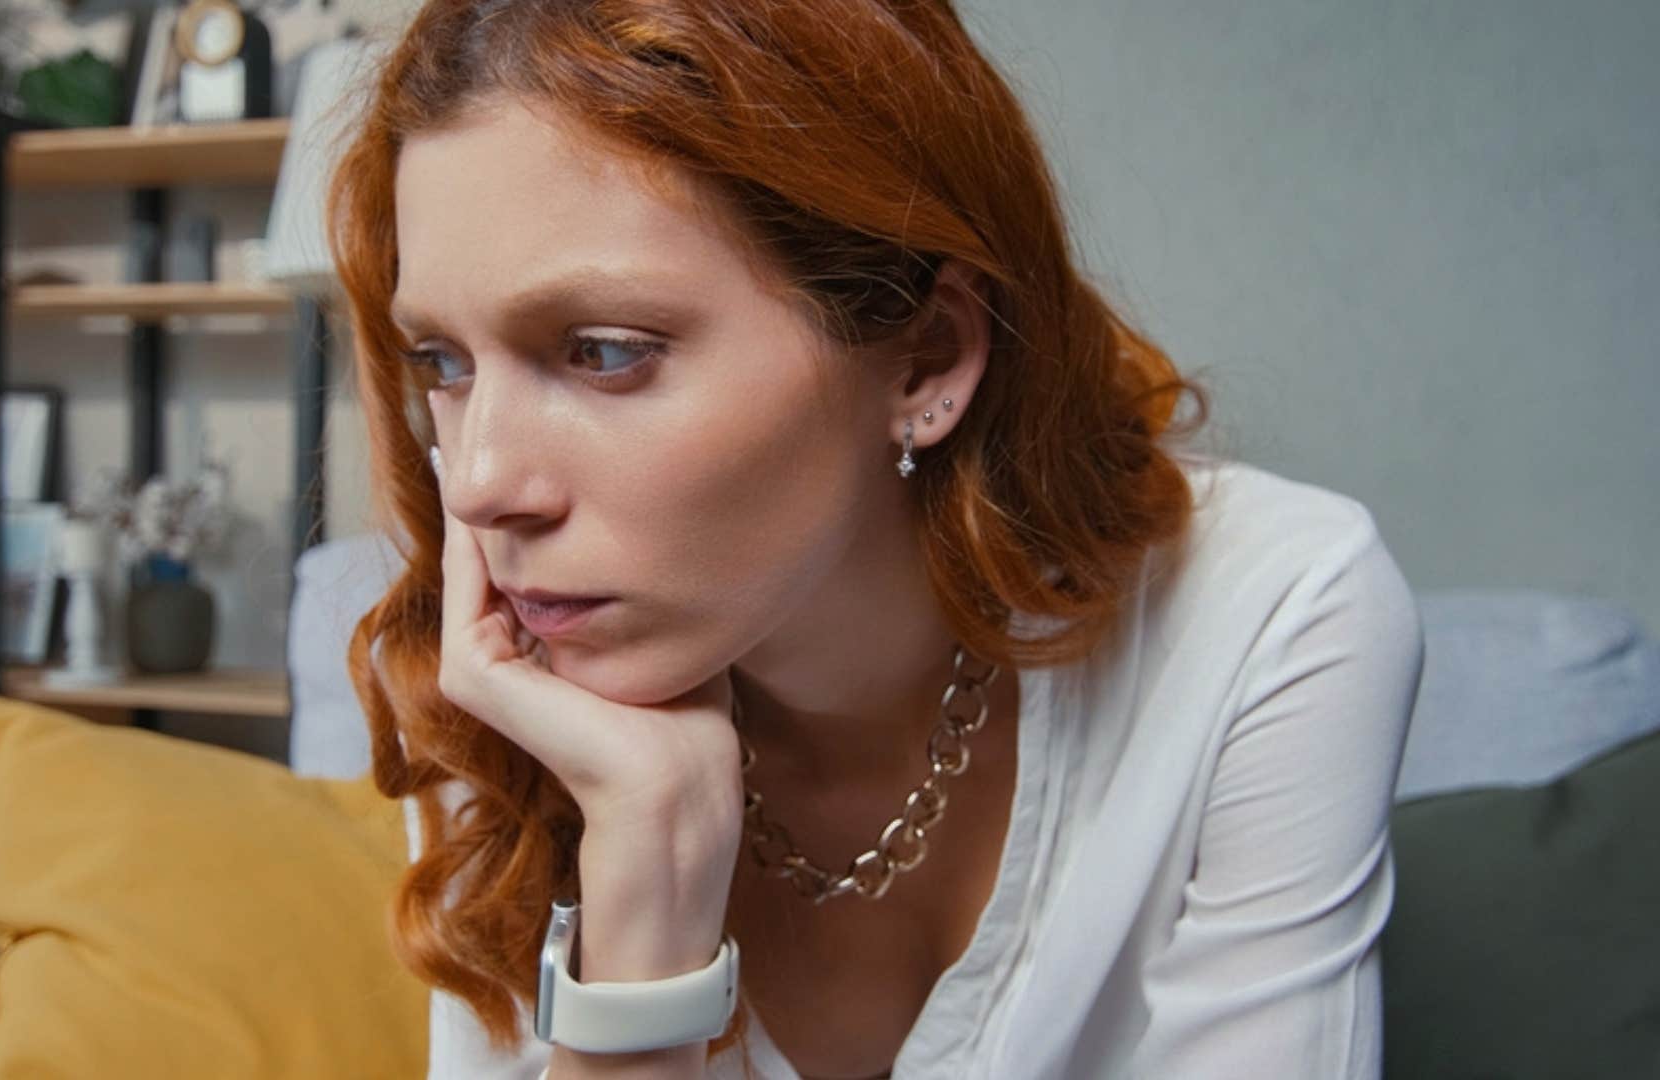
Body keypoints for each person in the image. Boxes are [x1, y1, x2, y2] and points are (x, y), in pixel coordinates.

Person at [327, 2, 1425, 1078]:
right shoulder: (500, 696)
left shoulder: (1269, 620)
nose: (478, 484)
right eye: (442, 364)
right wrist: (648, 888)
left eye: (605, 352)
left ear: (925, 359)